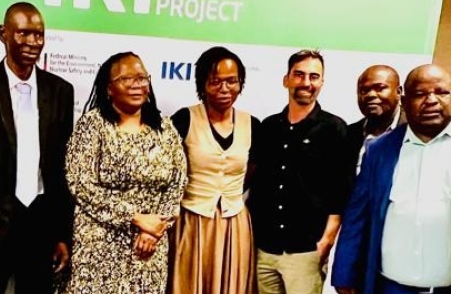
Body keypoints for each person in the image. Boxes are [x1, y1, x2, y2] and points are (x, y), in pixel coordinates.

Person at [0, 2, 75, 294]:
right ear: (3, 33)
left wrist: (62, 234)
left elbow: (62, 169)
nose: (33, 42)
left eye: (39, 34)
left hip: (41, 225)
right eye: (23, 33)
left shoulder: (61, 91)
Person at [332, 64, 451, 294]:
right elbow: (357, 216)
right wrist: (345, 274)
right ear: (404, 100)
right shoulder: (380, 149)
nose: (431, 101)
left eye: (441, 92)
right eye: (420, 94)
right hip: (390, 286)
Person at [63, 52, 188, 294]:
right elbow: (81, 184)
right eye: (126, 78)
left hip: (148, 248)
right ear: (109, 89)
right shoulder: (92, 125)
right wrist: (134, 217)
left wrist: (155, 228)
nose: (136, 84)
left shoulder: (164, 127)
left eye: (142, 78)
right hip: (99, 246)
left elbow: (178, 181)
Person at [251, 50, 350, 294]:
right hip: (265, 249)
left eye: (314, 76)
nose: (306, 82)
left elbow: (340, 193)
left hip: (306, 252)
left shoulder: (334, 129)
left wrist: (326, 241)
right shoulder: (268, 127)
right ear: (286, 79)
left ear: (322, 82)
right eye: (299, 75)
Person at [169, 46, 259, 294]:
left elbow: (253, 170)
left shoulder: (252, 125)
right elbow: (169, 172)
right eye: (215, 81)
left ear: (241, 83)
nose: (224, 89)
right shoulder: (184, 119)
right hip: (192, 221)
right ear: (202, 84)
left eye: (232, 81)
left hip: (234, 224)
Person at [344, 65, 403, 173]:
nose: (370, 95)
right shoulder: (349, 135)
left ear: (398, 92)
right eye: (364, 90)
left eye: (380, 88)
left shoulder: (415, 131)